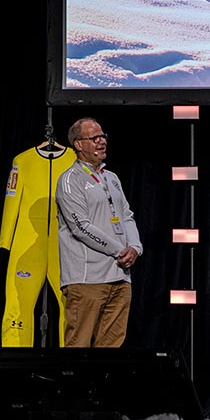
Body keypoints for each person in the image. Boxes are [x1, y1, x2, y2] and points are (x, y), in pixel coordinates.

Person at [55, 117, 142, 348]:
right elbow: (80, 227)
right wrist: (119, 249)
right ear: (78, 144)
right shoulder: (69, 180)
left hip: (120, 277)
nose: (102, 141)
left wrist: (135, 248)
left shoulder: (111, 177)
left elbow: (126, 216)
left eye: (103, 136)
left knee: (111, 350)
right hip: (86, 279)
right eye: (94, 138)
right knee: (79, 348)